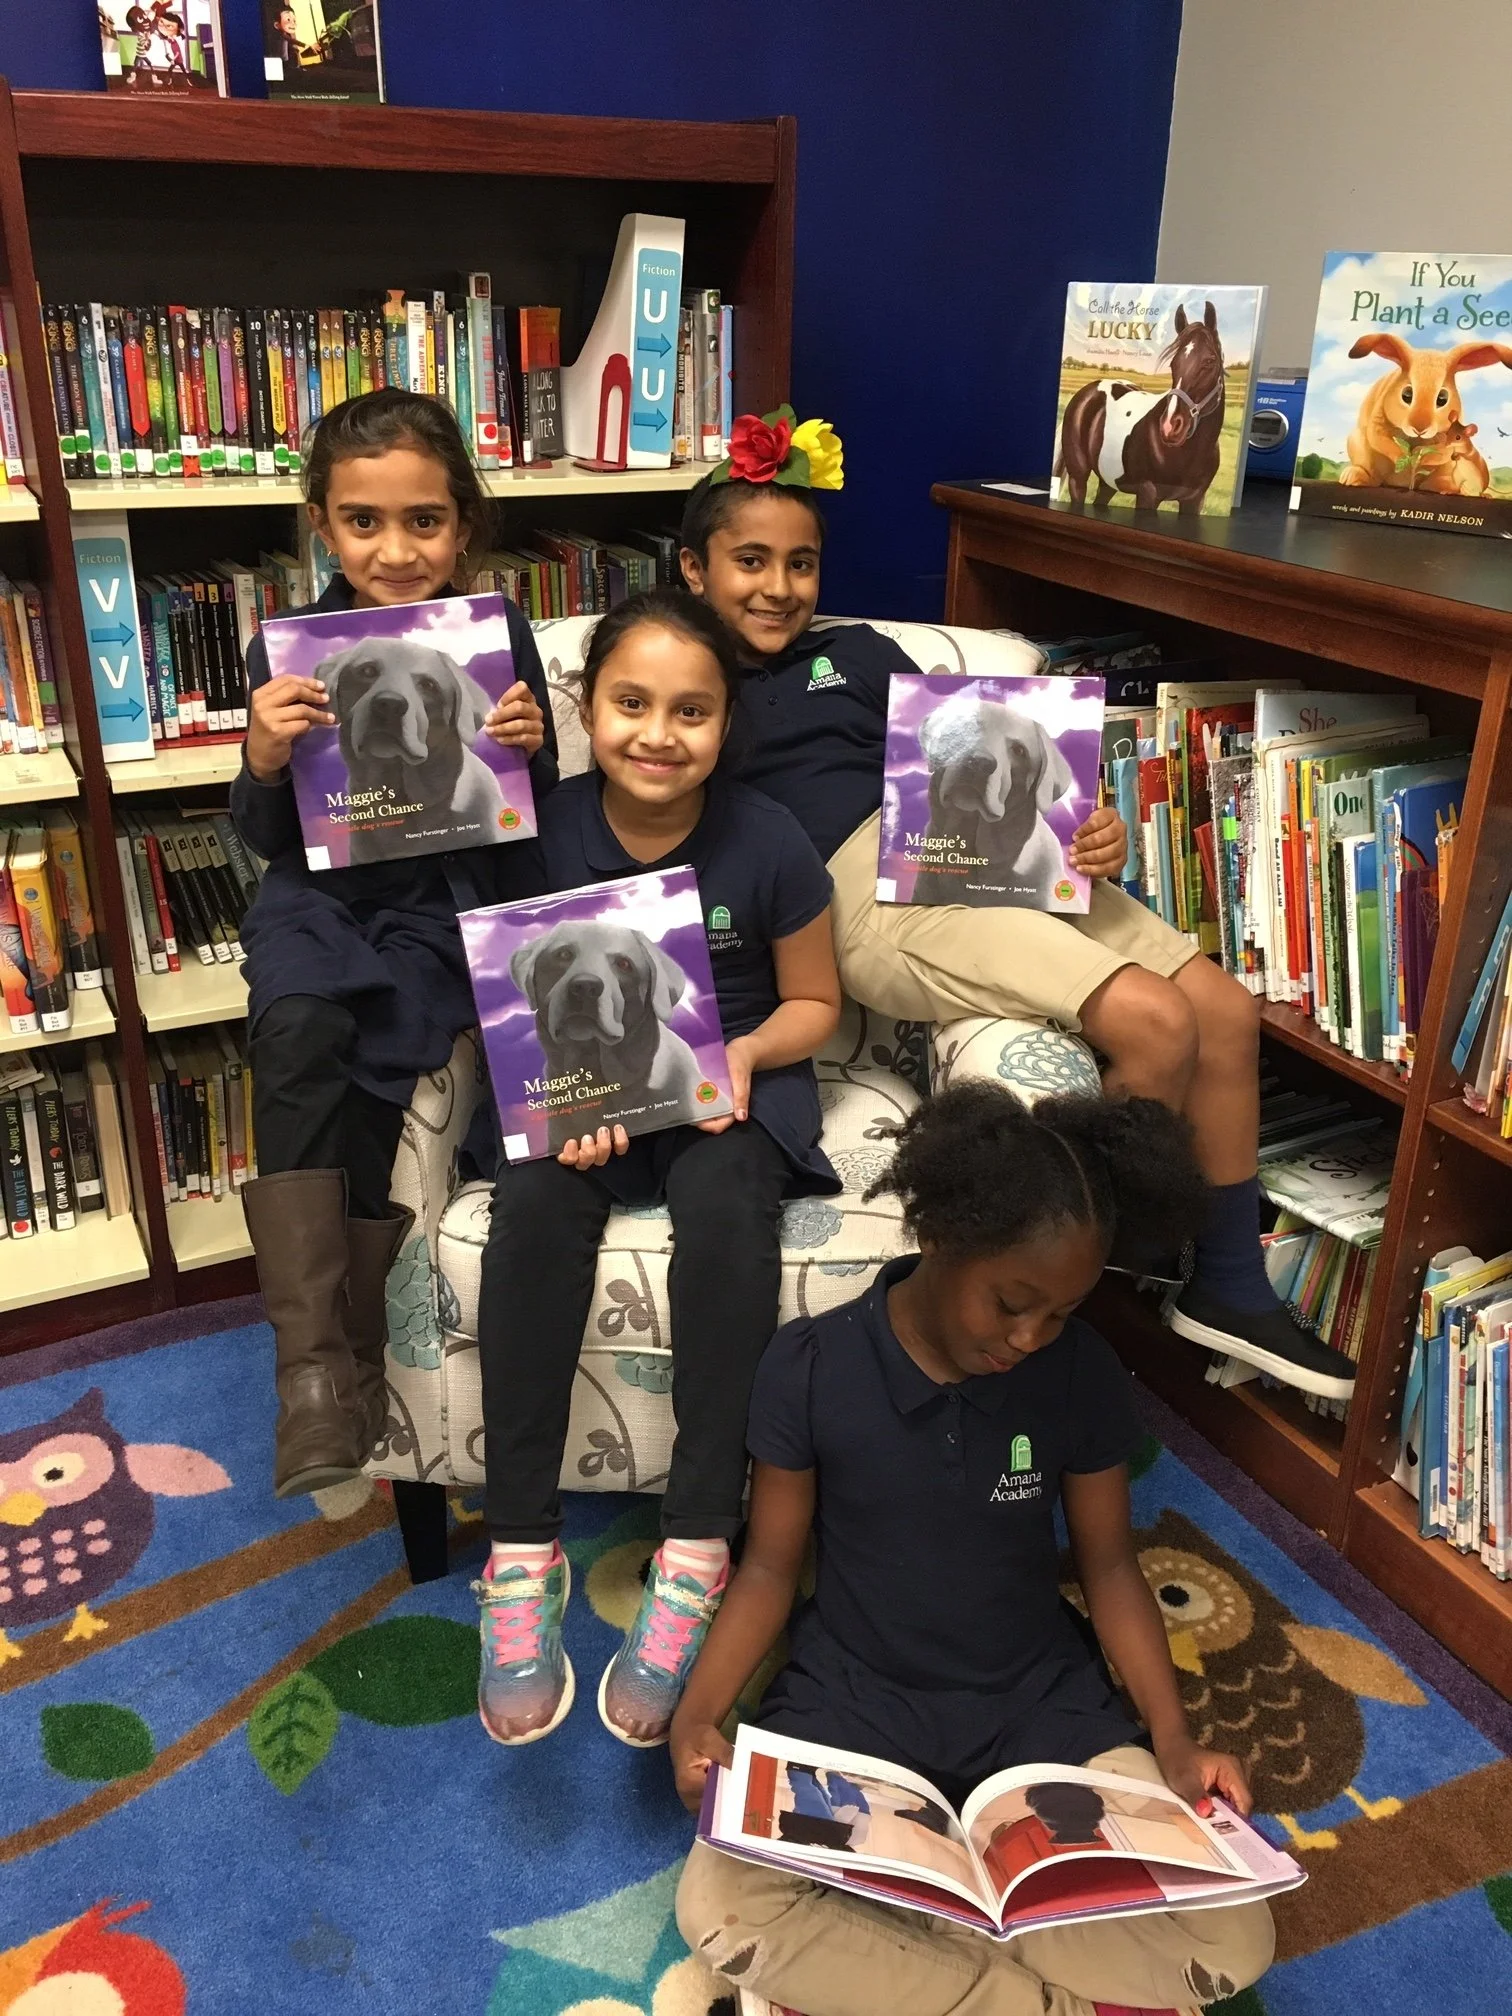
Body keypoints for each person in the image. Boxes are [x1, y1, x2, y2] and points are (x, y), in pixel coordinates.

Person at [679, 410, 1355, 1401]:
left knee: (1221, 1009)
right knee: (1155, 1024)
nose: (778, 587)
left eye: (800, 563)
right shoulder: (686, 685)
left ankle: (1228, 1283)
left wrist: (1088, 833)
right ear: (694, 571)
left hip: (963, 842)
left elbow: (961, 752)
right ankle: (1081, 1281)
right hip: (856, 898)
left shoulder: (861, 654)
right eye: (748, 561)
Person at [671, 1081, 1276, 2016]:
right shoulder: (811, 1366)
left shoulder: (1079, 1375)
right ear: (940, 1236)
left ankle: (918, 1963)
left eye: (1061, 1314)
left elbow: (1111, 1567)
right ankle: (1028, 1999)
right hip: (852, 1708)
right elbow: (768, 1569)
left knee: (1234, 1935)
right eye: (1011, 1303)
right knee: (720, 1908)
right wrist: (696, 1717)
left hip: (1042, 1711)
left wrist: (1175, 1743)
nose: (1031, 1338)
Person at [473, 588, 842, 1750]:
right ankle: (521, 1552)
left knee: (732, 1209)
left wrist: (745, 1054)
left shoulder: (769, 837)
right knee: (533, 1205)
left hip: (724, 1081)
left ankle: (694, 1550)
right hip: (581, 1094)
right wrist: (554, 1095)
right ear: (587, 708)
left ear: (728, 724)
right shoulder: (536, 824)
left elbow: (816, 1005)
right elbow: (506, 993)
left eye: (692, 710)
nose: (658, 733)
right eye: (631, 703)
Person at [231, 387, 556, 1499]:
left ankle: (348, 1372)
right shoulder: (293, 651)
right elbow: (265, 836)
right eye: (364, 522)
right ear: (323, 525)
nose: (397, 549)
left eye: (424, 522)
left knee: (380, 1056)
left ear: (462, 524)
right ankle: (313, 1374)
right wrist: (264, 758)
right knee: (298, 1022)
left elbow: (532, 808)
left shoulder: (497, 633)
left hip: (434, 894)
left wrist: (528, 745)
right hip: (318, 896)